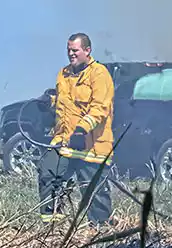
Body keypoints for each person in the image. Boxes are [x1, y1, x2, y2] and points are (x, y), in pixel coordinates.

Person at [37, 32, 115, 228]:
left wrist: (81, 130)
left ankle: (101, 230)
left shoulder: (99, 74)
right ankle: (52, 227)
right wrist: (49, 102)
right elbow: (66, 105)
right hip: (65, 143)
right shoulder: (63, 74)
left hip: (91, 144)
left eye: (75, 50)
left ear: (87, 50)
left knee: (93, 189)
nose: (71, 54)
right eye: (68, 50)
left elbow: (100, 107)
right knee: (48, 172)